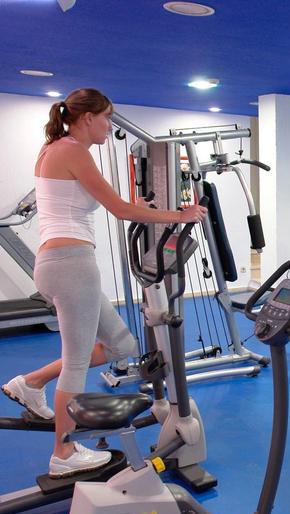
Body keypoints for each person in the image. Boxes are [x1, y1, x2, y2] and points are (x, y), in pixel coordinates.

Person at [1, 88, 207, 477]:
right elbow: (118, 208)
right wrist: (182, 215)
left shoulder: (56, 149)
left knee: (121, 345)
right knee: (77, 361)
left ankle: (30, 383)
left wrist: (143, 210)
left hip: (64, 261)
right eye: (107, 118)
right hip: (70, 264)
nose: (109, 126)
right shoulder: (72, 150)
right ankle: (63, 454)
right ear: (86, 117)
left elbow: (101, 202)